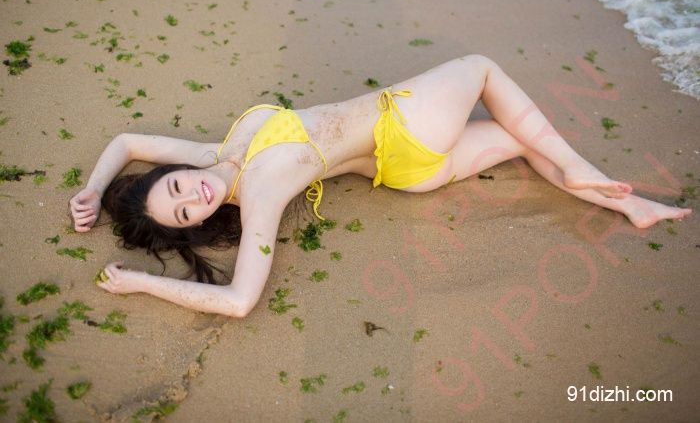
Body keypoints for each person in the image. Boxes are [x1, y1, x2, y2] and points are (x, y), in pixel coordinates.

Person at [69, 55, 692, 317]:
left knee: (518, 139)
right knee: (480, 66)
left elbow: (128, 142)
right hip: (409, 127)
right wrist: (142, 283)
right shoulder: (260, 196)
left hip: (408, 174)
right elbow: (239, 301)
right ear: (196, 227)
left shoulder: (212, 153)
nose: (193, 198)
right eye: (184, 215)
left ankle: (632, 206)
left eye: (178, 188)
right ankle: (578, 166)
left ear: (176, 172)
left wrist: (95, 190)